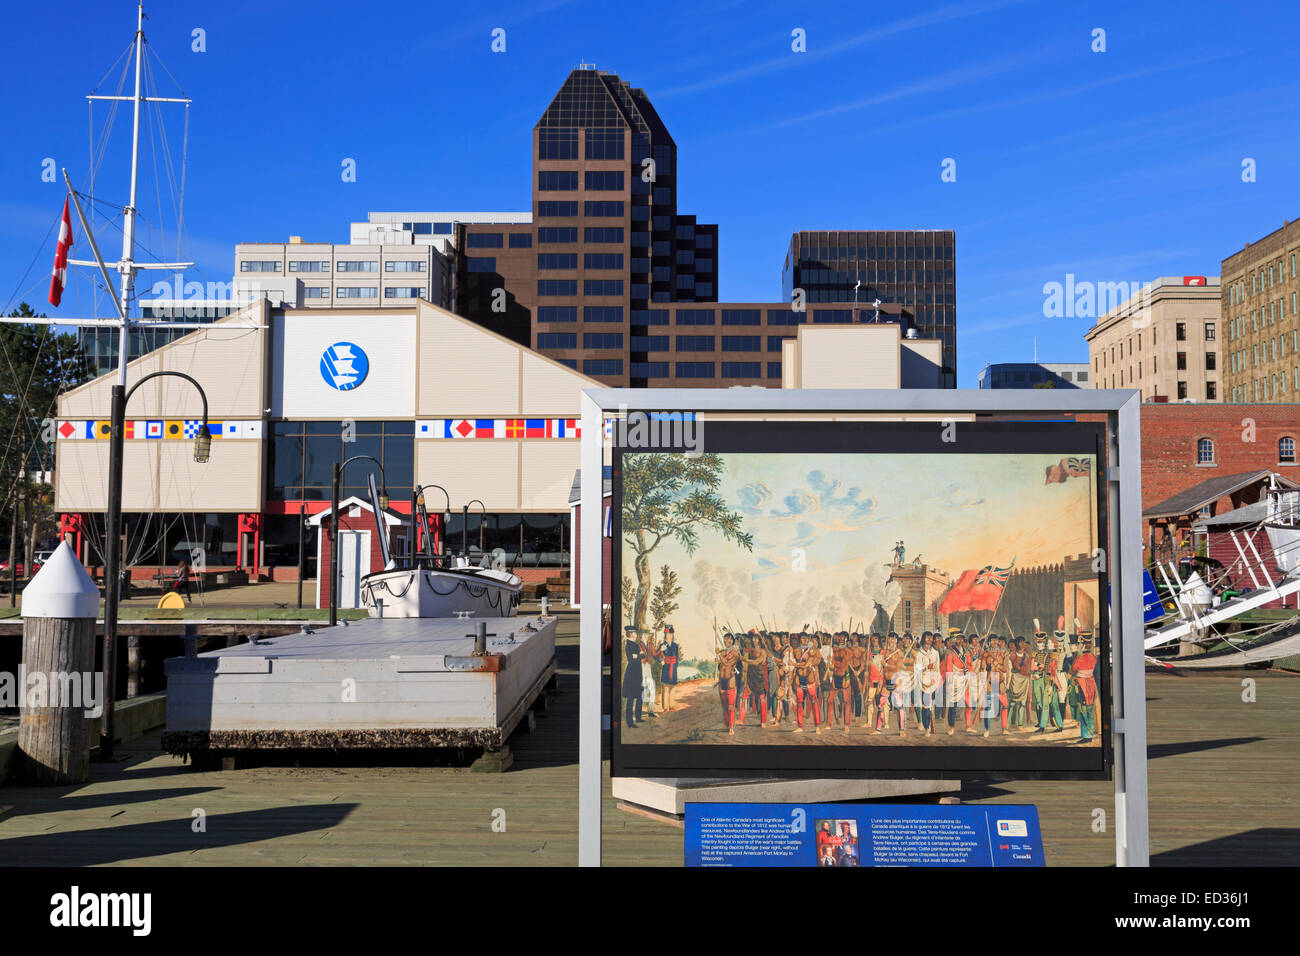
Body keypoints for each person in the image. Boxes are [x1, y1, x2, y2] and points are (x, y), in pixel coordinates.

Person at [1069, 630, 1099, 743]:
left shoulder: (1079, 658)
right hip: (1091, 684)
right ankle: (1089, 733)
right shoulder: (1093, 657)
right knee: (1089, 709)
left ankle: (1086, 735)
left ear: (1081, 644)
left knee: (1083, 709)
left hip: (1082, 685)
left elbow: (1072, 670)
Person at [716, 632, 741, 735]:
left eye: (729, 640)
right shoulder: (722, 652)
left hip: (730, 681)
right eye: (725, 640)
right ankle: (727, 724)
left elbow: (727, 663)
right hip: (722, 681)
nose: (726, 642)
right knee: (724, 706)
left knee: (731, 706)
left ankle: (731, 726)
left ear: (732, 641)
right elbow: (720, 666)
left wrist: (719, 657)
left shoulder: (735, 654)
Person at [622, 626, 645, 728]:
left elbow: (641, 656)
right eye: (635, 633)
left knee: (639, 696)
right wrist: (639, 655)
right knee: (631, 698)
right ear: (631, 634)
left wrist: (638, 655)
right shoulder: (629, 645)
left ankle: (638, 717)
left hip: (637, 673)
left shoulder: (635, 644)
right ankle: (630, 722)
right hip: (631, 674)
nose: (636, 635)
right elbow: (632, 659)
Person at [659, 625, 681, 713]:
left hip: (673, 668)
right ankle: (665, 707)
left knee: (673, 687)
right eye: (667, 634)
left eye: (671, 634)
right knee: (666, 688)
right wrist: (661, 661)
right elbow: (657, 655)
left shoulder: (675, 645)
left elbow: (677, 657)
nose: (669, 636)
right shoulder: (663, 644)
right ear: (665, 635)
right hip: (666, 668)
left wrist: (676, 666)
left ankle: (671, 706)